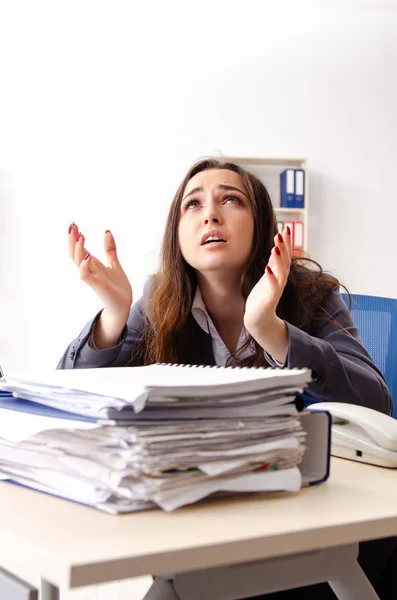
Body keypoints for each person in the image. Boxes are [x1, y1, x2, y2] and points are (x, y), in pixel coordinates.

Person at [58, 158, 395, 599]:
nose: (211, 214)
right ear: (177, 237)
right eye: (192, 205)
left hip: (311, 528)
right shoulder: (157, 303)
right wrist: (114, 316)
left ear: (261, 224)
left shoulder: (311, 295)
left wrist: (271, 330)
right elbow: (72, 405)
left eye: (230, 199)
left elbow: (376, 402)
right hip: (205, 524)